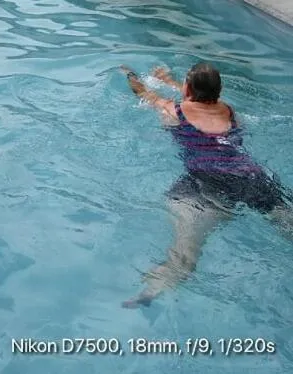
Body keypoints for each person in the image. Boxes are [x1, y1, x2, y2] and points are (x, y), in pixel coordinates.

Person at [120, 62, 293, 308]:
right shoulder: (229, 111)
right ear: (218, 92)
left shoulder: (173, 110)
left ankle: (153, 291)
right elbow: (204, 100)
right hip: (252, 178)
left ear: (187, 89)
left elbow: (144, 94)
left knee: (184, 250)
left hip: (207, 182)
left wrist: (129, 75)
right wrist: (173, 82)